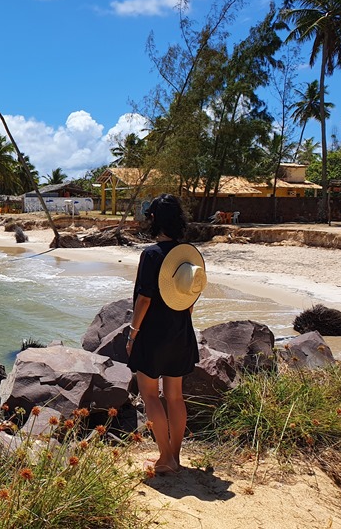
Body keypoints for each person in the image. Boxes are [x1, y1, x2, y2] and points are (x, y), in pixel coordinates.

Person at [125, 193, 206, 476]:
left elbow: (144, 299)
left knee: (150, 395)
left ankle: (164, 458)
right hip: (180, 331)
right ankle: (175, 455)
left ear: (153, 219)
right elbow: (192, 296)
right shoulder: (186, 257)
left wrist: (133, 333)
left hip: (152, 333)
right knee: (175, 397)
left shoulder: (151, 255)